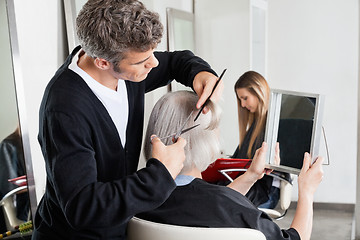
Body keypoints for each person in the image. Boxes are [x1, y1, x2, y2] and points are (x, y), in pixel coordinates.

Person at [32, 1, 223, 239]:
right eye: (143, 61)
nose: (153, 64)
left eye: (152, 53)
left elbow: (176, 62)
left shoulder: (126, 67)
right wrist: (160, 174)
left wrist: (200, 73)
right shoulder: (64, 111)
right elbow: (83, 208)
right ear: (103, 62)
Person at [138, 90, 324, 240]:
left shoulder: (134, 196)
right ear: (204, 141)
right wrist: (307, 192)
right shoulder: (236, 211)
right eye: (215, 126)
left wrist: (251, 175)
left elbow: (211, 202)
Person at [231, 70, 289, 208]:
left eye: (245, 98)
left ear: (259, 93)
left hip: (266, 192)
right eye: (240, 100)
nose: (243, 105)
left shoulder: (275, 125)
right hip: (252, 188)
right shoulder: (256, 124)